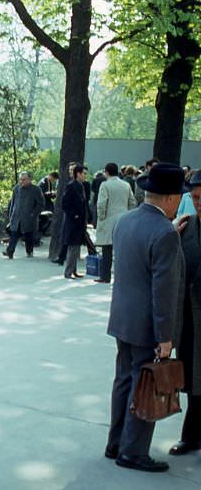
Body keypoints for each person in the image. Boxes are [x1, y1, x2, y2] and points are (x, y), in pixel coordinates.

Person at [106, 162, 185, 473]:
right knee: (145, 386)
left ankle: (115, 443)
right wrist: (165, 337)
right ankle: (134, 451)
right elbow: (162, 292)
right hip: (146, 325)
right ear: (169, 198)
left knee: (124, 381)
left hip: (122, 318)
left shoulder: (125, 222)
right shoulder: (164, 233)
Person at [169, 170, 201, 457]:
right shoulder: (186, 227)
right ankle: (191, 436)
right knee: (191, 380)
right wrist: (171, 236)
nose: (198, 202)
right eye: (195, 197)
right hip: (190, 321)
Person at [94, 163, 136, 284]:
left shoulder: (105, 185)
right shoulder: (126, 185)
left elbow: (101, 203)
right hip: (123, 219)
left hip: (109, 220)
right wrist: (128, 215)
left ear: (106, 172)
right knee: (121, 251)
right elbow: (132, 202)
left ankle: (105, 276)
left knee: (107, 250)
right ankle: (122, 277)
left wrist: (101, 217)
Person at [3, 172, 45, 259]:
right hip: (16, 216)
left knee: (28, 235)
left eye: (24, 179)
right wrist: (11, 215)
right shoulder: (16, 188)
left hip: (28, 217)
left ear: (29, 180)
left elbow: (41, 204)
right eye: (20, 179)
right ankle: (10, 251)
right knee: (13, 234)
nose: (21, 181)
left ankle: (29, 251)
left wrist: (34, 214)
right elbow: (12, 203)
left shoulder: (36, 189)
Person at [62, 164, 89, 279]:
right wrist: (75, 215)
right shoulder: (71, 186)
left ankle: (73, 270)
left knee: (76, 246)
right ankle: (68, 271)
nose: (85, 176)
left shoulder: (80, 185)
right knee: (73, 247)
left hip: (79, 221)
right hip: (73, 221)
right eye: (84, 173)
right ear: (78, 174)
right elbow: (65, 204)